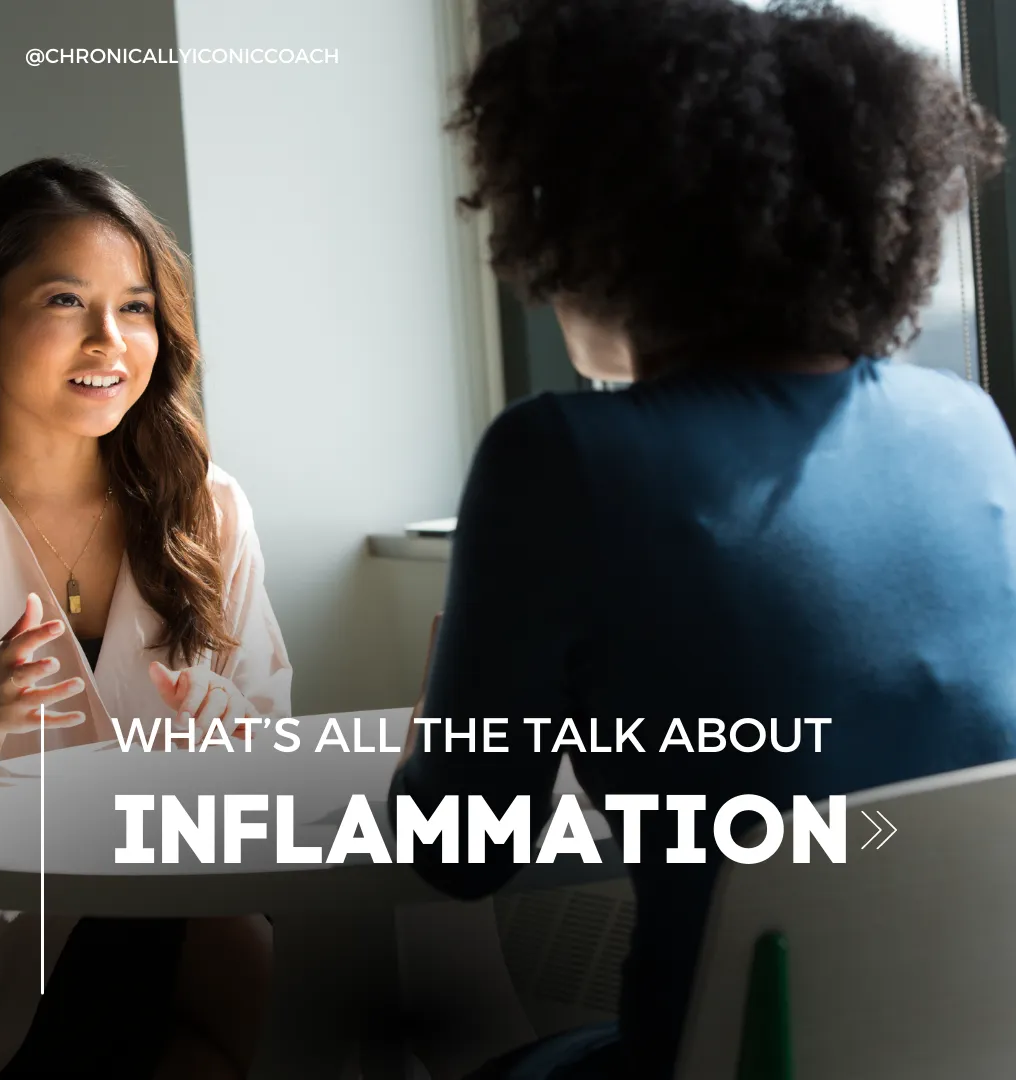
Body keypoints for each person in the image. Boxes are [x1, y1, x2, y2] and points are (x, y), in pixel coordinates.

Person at [389, 0, 1016, 1077]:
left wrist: (449, 719)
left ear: (601, 226)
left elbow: (458, 853)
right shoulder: (967, 424)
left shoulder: (562, 460)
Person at [0, 157, 291, 1079]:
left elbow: (271, 753)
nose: (110, 340)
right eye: (65, 301)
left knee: (248, 941)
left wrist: (237, 734)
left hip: (183, 903)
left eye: (135, 307)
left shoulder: (205, 507)